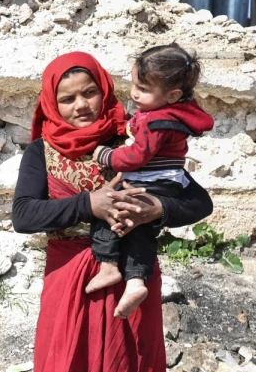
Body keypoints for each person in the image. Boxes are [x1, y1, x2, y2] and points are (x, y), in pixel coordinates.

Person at [7, 51, 214, 372]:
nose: (80, 106)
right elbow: (24, 215)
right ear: (51, 102)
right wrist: (88, 205)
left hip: (130, 285)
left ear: (106, 91)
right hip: (66, 282)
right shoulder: (41, 150)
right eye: (67, 98)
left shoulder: (137, 136)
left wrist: (160, 210)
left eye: (89, 94)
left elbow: (199, 201)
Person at [86, 43, 213, 318]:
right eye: (134, 84)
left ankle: (108, 265)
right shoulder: (169, 112)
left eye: (143, 89)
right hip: (166, 179)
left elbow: (135, 157)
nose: (134, 93)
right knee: (140, 228)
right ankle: (135, 282)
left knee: (109, 208)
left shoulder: (159, 123)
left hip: (150, 179)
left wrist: (106, 155)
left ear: (172, 95)